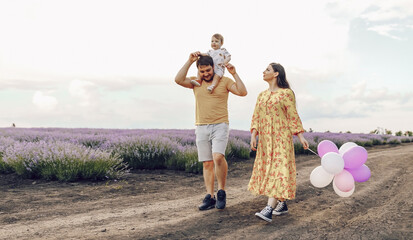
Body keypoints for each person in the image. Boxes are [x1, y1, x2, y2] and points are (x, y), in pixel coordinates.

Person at [175, 52, 247, 211]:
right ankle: (210, 196)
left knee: (218, 157)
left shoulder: (224, 81)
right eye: (202, 71)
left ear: (213, 67)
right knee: (207, 162)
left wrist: (234, 73)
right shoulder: (196, 82)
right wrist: (189, 61)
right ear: (199, 71)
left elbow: (242, 92)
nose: (206, 74)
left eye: (208, 70)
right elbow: (178, 79)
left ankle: (221, 191)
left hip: (220, 125)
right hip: (201, 126)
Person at [248, 62, 309, 223]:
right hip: (266, 141)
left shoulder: (286, 93)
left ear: (276, 74)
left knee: (279, 170)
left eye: (267, 70)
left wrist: (301, 136)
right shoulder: (261, 95)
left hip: (282, 139)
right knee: (270, 170)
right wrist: (254, 135)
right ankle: (282, 203)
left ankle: (268, 209)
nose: (263, 71)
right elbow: (256, 116)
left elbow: (292, 115)